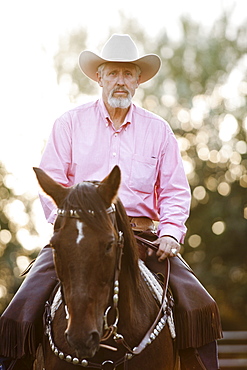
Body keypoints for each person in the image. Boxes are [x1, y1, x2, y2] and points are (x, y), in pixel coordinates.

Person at [0, 34, 222, 370]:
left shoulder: (158, 131)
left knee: (199, 309)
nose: (120, 81)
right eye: (113, 73)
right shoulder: (69, 124)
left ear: (137, 80)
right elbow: (52, 181)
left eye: (127, 73)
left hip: (144, 237)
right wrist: (71, 226)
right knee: (20, 312)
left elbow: (175, 190)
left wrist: (172, 232)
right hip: (80, 236)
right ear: (99, 77)